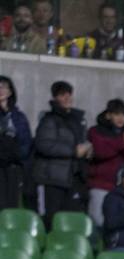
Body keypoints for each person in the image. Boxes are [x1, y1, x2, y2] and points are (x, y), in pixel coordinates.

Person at [32, 80, 91, 227]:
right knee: (52, 220)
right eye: (62, 95)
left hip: (73, 177)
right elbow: (43, 145)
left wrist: (88, 151)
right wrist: (73, 151)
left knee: (70, 221)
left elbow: (82, 143)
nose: (67, 98)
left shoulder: (78, 120)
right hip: (53, 179)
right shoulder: (49, 120)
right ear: (55, 98)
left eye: (69, 94)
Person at [86, 99, 124, 229]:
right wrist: (123, 143)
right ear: (108, 115)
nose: (121, 118)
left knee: (120, 223)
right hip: (101, 185)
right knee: (98, 220)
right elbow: (101, 152)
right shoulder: (96, 131)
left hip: (123, 189)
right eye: (116, 114)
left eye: (123, 114)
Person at [0, 75, 32, 210]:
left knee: (10, 208)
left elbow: (26, 142)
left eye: (4, 87)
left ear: (10, 92)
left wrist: (15, 155)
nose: (1, 90)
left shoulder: (19, 117)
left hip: (13, 168)